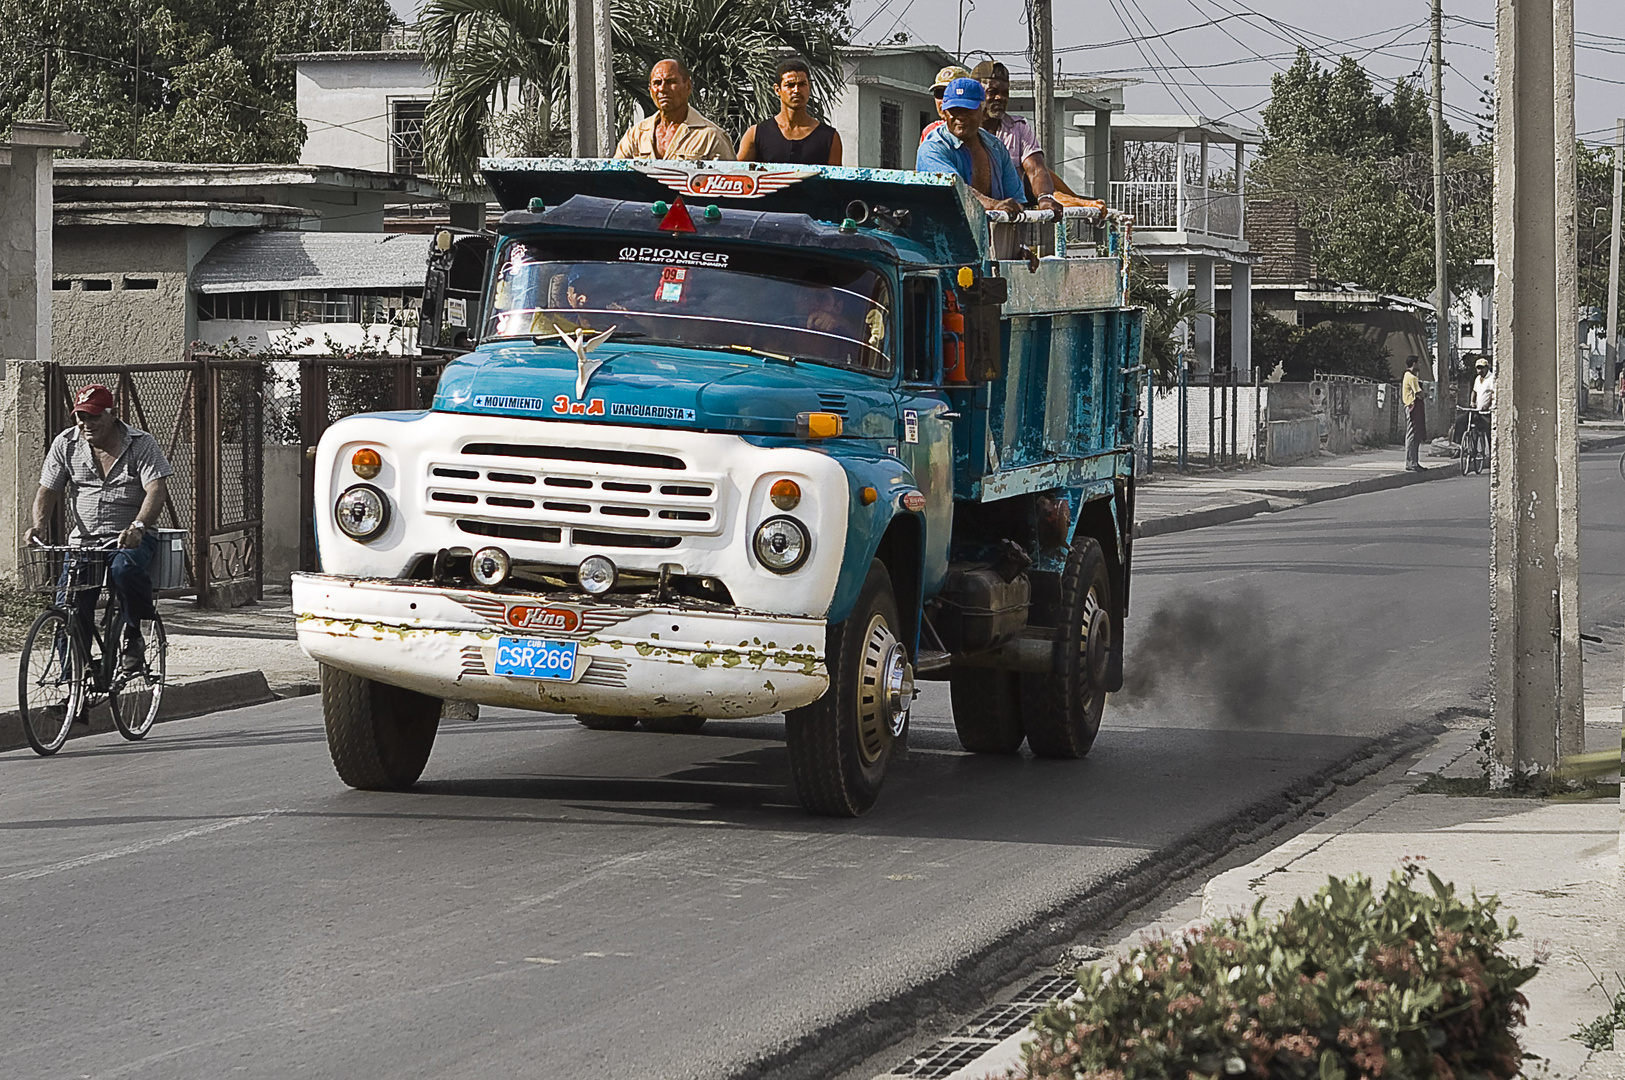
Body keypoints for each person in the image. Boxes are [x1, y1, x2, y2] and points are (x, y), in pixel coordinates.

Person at [25, 384, 173, 672]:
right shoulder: (66, 443)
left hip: (129, 538)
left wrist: (138, 527)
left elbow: (156, 489)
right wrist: (39, 525)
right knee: (69, 607)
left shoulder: (141, 444)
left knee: (124, 570)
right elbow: (48, 490)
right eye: (80, 416)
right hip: (84, 543)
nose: (85, 423)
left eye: (93, 416)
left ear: (112, 415)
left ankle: (133, 633)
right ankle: (73, 687)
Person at [916, 78, 1046, 217]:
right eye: (954, 111)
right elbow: (955, 191)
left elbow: (1015, 198)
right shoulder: (932, 149)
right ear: (945, 113)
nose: (960, 117)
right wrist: (995, 206)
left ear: (982, 109)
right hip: (945, 235)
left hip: (992, 236)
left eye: (967, 110)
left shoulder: (996, 147)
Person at [970, 60, 1078, 204]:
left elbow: (1036, 169)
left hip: (1011, 215)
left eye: (1005, 93)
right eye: (992, 92)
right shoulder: (964, 130)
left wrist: (1045, 197)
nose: (1000, 98)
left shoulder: (1019, 128)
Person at [613, 59, 736, 161]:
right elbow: (614, 176)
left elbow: (730, 183)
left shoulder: (711, 136)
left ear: (688, 86)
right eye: (657, 83)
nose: (662, 89)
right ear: (650, 90)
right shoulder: (636, 135)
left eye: (671, 82)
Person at [737, 58, 842, 166]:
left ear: (809, 87)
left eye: (802, 84)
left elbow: (835, 180)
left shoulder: (829, 138)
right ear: (777, 89)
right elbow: (738, 175)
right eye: (790, 85)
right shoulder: (756, 134)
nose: (796, 90)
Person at [1402, 355, 1428, 472]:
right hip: (1413, 406)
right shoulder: (1412, 378)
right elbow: (1420, 394)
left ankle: (1414, 461)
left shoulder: (1407, 376)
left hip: (1411, 406)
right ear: (1414, 364)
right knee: (1412, 435)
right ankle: (1411, 462)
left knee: (1415, 435)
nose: (1420, 365)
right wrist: (1425, 394)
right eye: (1418, 363)